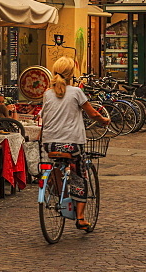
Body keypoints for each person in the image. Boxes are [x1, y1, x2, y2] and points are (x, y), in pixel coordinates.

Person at [41, 57, 110, 231]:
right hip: (72, 143)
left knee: (51, 166)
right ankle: (80, 217)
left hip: (49, 143)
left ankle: (60, 193)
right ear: (72, 74)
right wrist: (104, 121)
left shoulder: (47, 93)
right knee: (80, 175)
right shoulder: (76, 92)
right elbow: (92, 113)